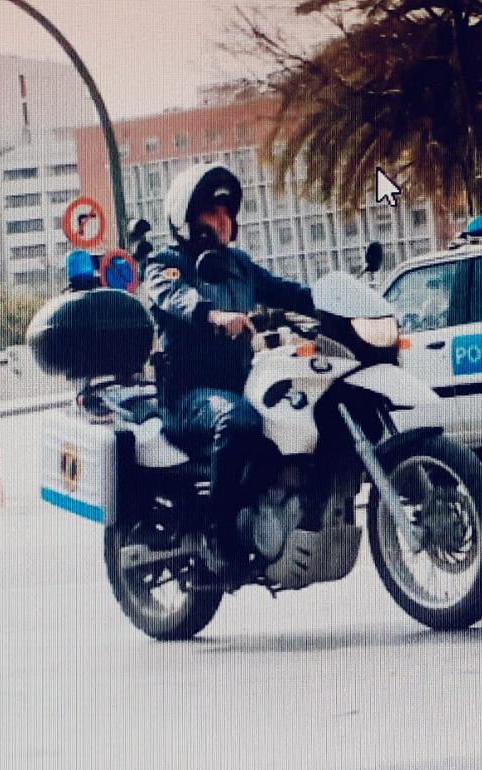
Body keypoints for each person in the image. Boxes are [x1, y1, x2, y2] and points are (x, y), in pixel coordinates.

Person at [142, 163, 315, 574]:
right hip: (187, 397)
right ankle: (217, 532)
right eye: (212, 212)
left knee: (287, 416)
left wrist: (332, 303)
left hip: (239, 385)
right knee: (239, 422)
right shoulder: (166, 263)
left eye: (227, 212)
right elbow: (174, 295)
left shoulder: (239, 265)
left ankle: (269, 517)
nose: (223, 221)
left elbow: (285, 290)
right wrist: (213, 315)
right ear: (188, 219)